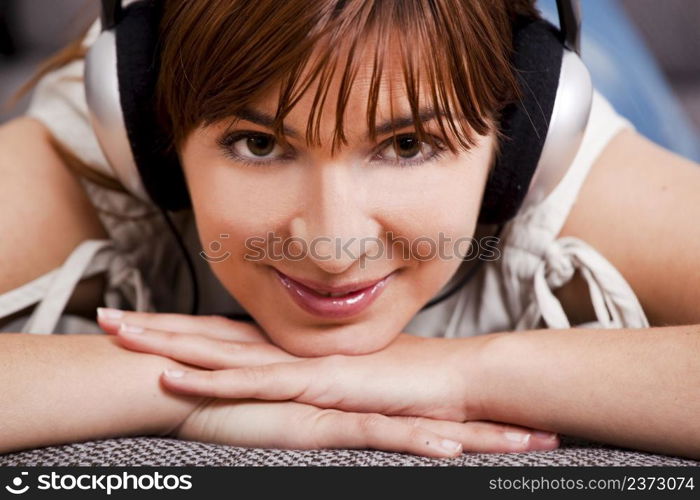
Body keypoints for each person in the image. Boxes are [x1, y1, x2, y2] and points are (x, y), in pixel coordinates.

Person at [1, 0, 699, 460]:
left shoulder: (576, 178)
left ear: (518, 146)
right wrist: (184, 387)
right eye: (259, 144)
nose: (332, 247)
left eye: (405, 146)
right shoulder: (85, 165)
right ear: (150, 138)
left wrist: (465, 374)